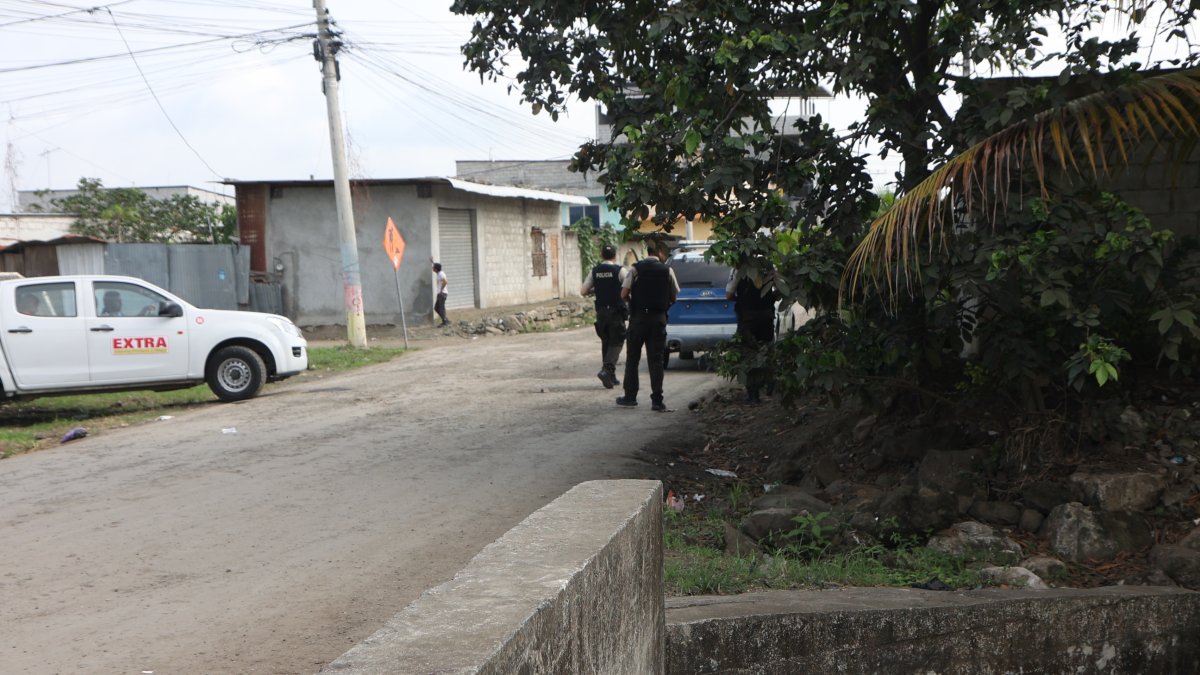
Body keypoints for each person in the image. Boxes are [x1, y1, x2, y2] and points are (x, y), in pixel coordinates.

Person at [616, 240, 679, 411]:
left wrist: (633, 304)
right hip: (658, 320)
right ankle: (657, 401)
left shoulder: (635, 269)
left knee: (633, 359)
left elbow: (623, 294)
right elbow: (674, 297)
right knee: (656, 360)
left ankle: (630, 397)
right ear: (659, 253)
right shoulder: (668, 270)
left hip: (638, 319)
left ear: (647, 252)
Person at [726, 262, 780, 403]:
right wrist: (768, 298)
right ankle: (770, 386)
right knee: (767, 350)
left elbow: (729, 294)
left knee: (748, 354)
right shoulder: (768, 267)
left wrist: (743, 299)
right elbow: (780, 291)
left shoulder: (739, 268)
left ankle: (753, 395)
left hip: (747, 318)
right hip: (766, 316)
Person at [580, 244, 628, 389]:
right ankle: (606, 371)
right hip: (616, 312)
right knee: (617, 342)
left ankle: (610, 377)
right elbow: (629, 286)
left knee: (606, 342)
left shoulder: (595, 271)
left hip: (601, 313)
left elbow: (583, 291)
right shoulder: (619, 270)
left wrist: (598, 288)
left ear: (602, 256)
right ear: (615, 256)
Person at [432, 262, 449, 326]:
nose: (432, 268)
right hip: (440, 293)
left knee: (441, 308)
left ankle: (445, 322)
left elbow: (445, 282)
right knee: (437, 308)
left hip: (442, 293)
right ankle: (445, 320)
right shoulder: (439, 273)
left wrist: (441, 290)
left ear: (436, 269)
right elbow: (437, 266)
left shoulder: (441, 274)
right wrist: (432, 261)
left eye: (433, 267)